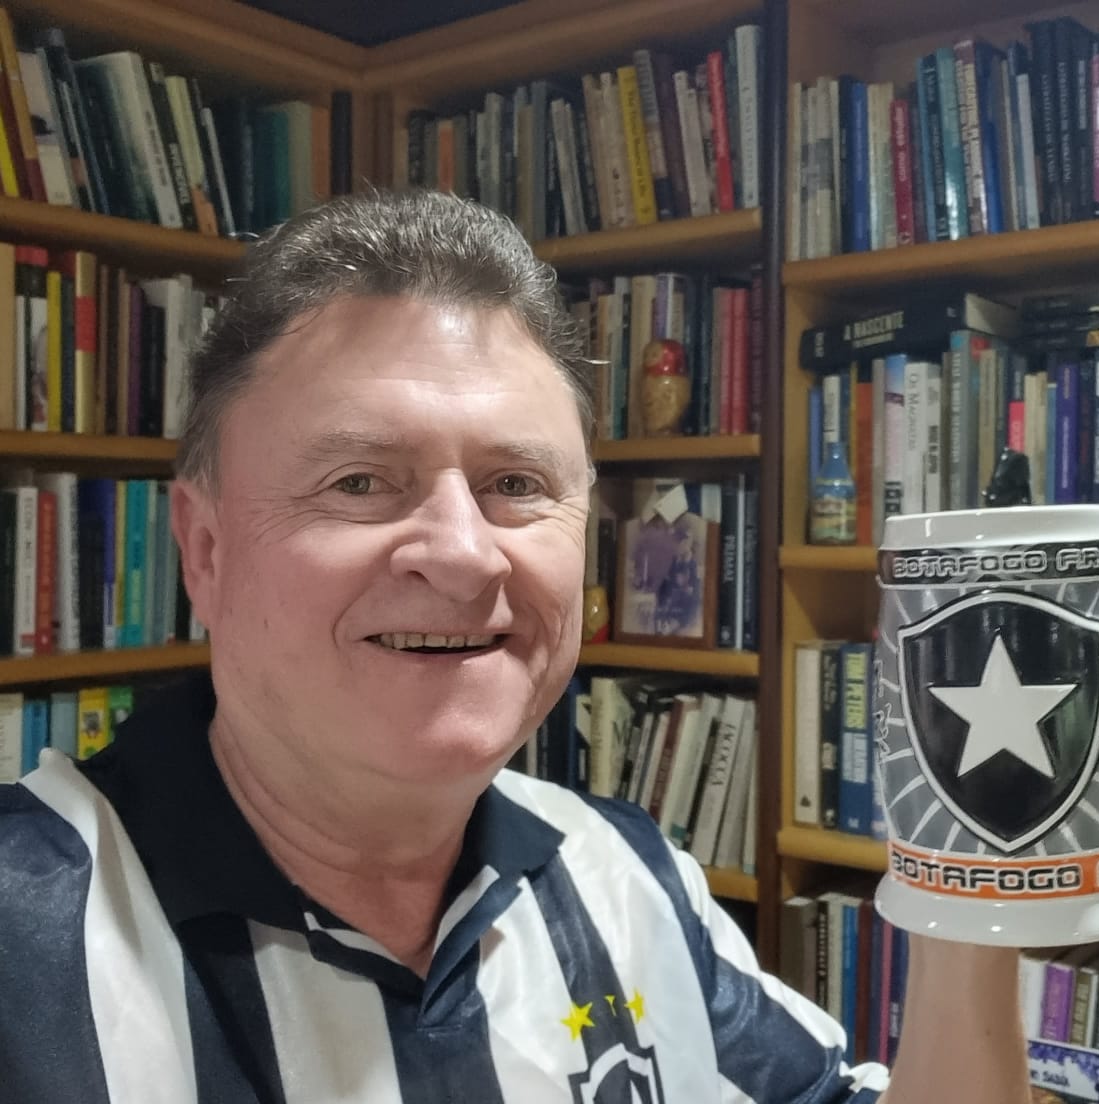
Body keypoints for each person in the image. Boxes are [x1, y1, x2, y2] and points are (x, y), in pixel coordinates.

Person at [0, 190, 1029, 1102]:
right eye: (359, 482)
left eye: (517, 485)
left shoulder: (624, 874)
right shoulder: (24, 939)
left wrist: (973, 873)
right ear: (206, 550)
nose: (463, 554)